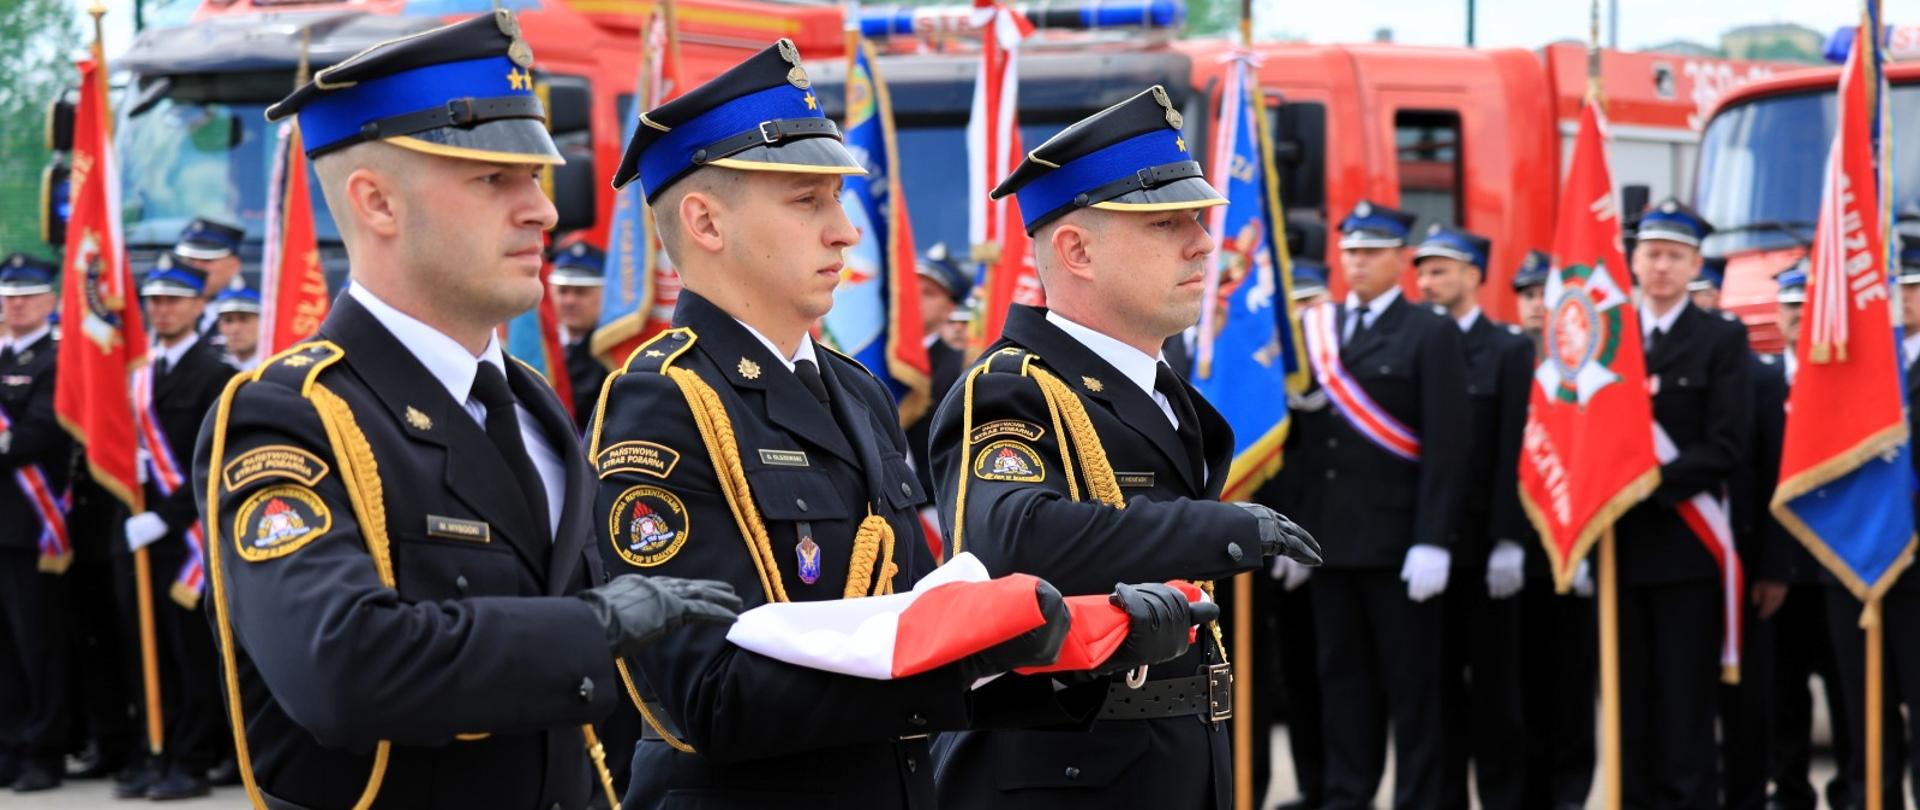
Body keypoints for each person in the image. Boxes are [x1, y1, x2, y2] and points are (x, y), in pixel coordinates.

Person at [596, 40, 1210, 810]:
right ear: (705, 222)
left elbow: (903, 626)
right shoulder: (667, 400)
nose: (846, 232)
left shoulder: (855, 391)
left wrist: (1074, 650)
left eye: (838, 201)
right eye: (807, 201)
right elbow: (709, 700)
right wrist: (983, 649)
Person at [190, 15, 745, 809]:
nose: (543, 212)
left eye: (539, 177)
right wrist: (598, 625)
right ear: (376, 203)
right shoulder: (289, 414)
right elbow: (341, 670)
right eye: (494, 179)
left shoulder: (530, 403)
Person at [926, 85, 1322, 810]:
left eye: (1199, 220)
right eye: (1167, 222)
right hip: (1056, 777)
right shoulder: (1016, 387)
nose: (1203, 242)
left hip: (1159, 761)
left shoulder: (1160, 390)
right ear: (1076, 250)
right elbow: (1013, 534)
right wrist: (1224, 529)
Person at [1285, 200, 1470, 810]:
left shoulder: (1431, 331)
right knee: (1342, 684)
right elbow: (1309, 447)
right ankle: (1346, 795)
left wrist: (1434, 538)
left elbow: (1448, 445)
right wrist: (1296, 531)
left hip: (1401, 545)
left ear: (1399, 259)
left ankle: (1420, 799)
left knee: (1414, 690)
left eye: (1370, 252)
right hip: (1333, 543)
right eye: (1350, 252)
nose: (1357, 263)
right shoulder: (1321, 329)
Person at [1616, 198, 1751, 810]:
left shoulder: (1720, 338)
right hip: (1619, 547)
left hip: (1686, 548)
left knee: (1683, 704)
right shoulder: (1607, 335)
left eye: (1674, 256)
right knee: (1628, 703)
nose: (1661, 267)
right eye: (1651, 254)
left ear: (1695, 263)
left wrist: (1646, 485)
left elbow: (1725, 443)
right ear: (1634, 260)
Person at [1411, 224, 1531, 810]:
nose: (1428, 283)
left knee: (1495, 692)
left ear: (1474, 275)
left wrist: (1511, 537)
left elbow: (1514, 449)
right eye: (1423, 272)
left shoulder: (1509, 349)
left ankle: (1504, 796)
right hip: (1426, 546)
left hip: (1487, 548)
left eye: (1441, 271)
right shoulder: (1415, 342)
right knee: (1433, 693)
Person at [0, 253, 73, 793]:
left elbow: (39, 434)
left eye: (27, 293)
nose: (15, 302)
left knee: (39, 644)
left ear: (50, 300)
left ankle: (45, 751)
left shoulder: (59, 359)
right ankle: (8, 746)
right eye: (8, 293)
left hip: (34, 526)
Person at [905, 242, 971, 497]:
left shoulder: (960, 366)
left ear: (950, 308)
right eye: (913, 290)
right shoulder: (874, 360)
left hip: (928, 506)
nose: (916, 299)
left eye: (929, 293)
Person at [549, 240, 609, 433]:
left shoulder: (611, 357)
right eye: (563, 291)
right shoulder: (542, 346)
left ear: (604, 295)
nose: (569, 301)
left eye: (581, 292)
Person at [168, 218, 245, 340]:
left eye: (206, 260)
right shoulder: (161, 308)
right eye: (190, 260)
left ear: (234, 266)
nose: (196, 268)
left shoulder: (252, 312)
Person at [211, 286, 264, 371]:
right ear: (219, 326)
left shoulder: (272, 367)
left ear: (262, 323)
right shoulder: (210, 368)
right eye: (228, 320)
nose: (235, 329)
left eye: (244, 319)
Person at [1512, 250, 1549, 342]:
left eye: (1545, 295)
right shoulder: (1503, 353)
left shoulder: (1576, 354)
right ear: (1518, 302)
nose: (1537, 304)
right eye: (1529, 296)